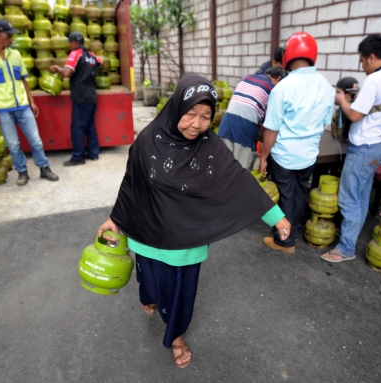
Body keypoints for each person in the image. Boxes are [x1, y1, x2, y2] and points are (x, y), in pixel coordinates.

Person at [96, 74, 290, 368]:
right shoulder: (148, 138)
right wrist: (115, 218)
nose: (197, 124)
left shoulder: (210, 147)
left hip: (186, 241)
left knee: (179, 293)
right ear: (177, 107)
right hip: (147, 234)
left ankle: (175, 336)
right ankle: (148, 296)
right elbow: (132, 182)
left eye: (205, 117)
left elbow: (240, 181)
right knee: (149, 278)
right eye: (190, 114)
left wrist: (276, 217)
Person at [321, 34, 381, 263]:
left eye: (362, 60)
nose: (362, 66)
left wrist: (341, 100)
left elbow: (355, 115)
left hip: (364, 148)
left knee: (349, 197)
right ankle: (351, 235)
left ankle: (346, 248)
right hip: (380, 145)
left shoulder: (375, 80)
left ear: (371, 56)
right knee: (360, 195)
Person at [260, 32, 335, 254]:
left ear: (288, 57)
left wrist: (263, 158)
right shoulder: (327, 88)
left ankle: (285, 240)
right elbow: (323, 124)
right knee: (300, 192)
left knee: (285, 196)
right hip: (308, 155)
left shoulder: (283, 88)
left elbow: (271, 129)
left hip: (284, 155)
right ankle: (295, 229)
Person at [0, 20, 59, 186]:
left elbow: (23, 80)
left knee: (35, 140)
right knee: (13, 144)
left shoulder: (15, 55)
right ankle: (22, 171)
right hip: (2, 109)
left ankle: (44, 168)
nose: (11, 40)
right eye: (8, 35)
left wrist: (31, 101)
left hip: (22, 106)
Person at [49, 32, 102, 166]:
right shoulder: (92, 55)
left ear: (74, 43)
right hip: (91, 95)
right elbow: (101, 62)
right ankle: (93, 153)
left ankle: (78, 157)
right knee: (90, 126)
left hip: (81, 96)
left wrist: (57, 69)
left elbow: (67, 73)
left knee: (77, 128)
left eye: (70, 43)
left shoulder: (75, 53)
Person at [218, 66, 283, 169]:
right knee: (239, 170)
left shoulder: (246, 78)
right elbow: (269, 121)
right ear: (279, 79)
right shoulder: (272, 88)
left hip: (226, 123)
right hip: (244, 128)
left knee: (223, 165)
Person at [331, 76, 359, 142]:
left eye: (338, 92)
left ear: (349, 94)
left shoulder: (351, 110)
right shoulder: (344, 106)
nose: (336, 95)